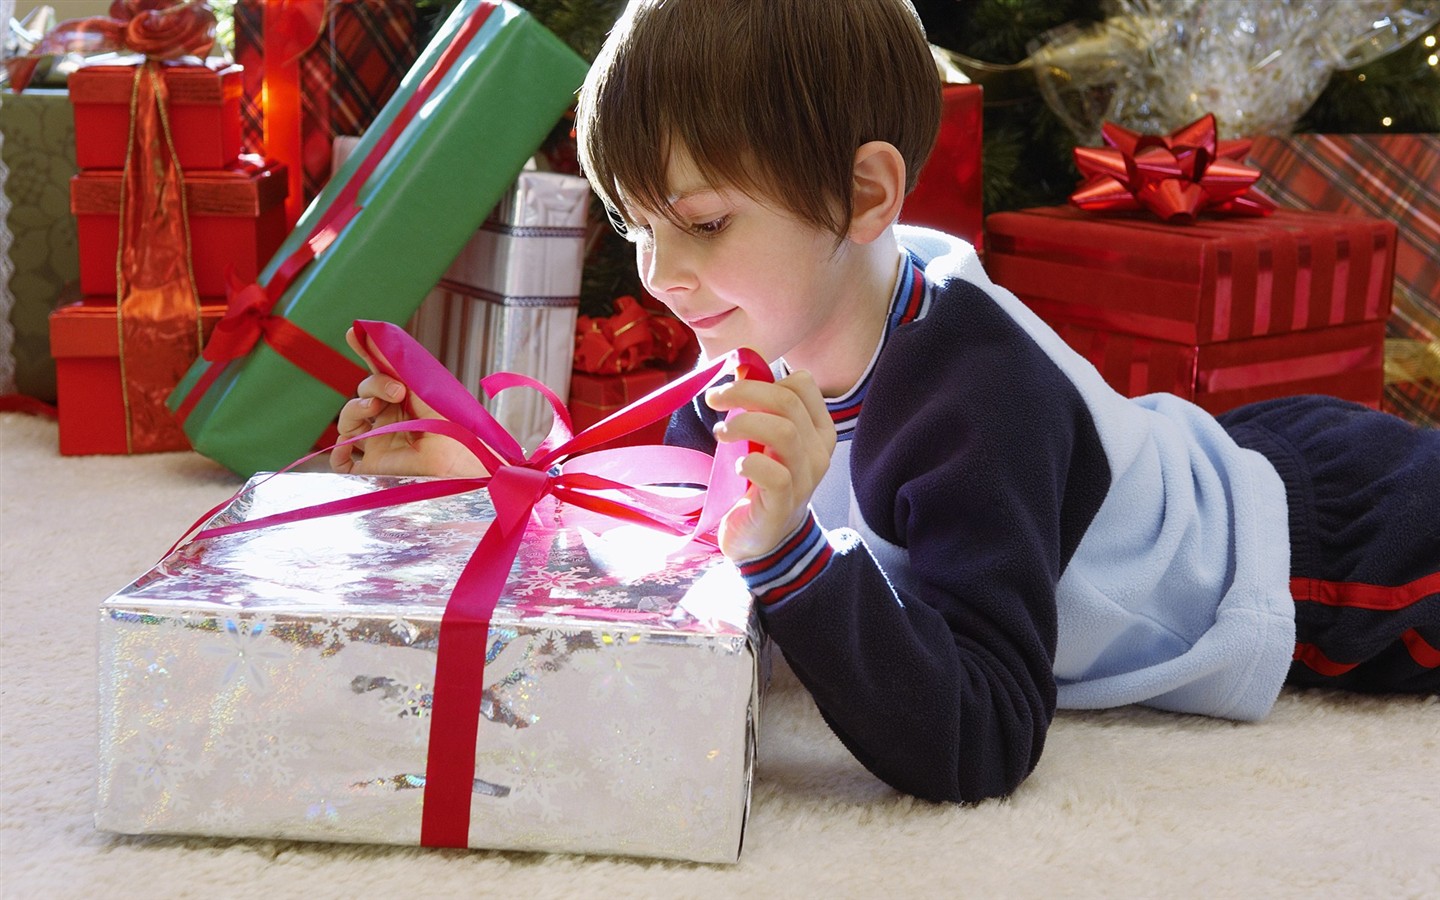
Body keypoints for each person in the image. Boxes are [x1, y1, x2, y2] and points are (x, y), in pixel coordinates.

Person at [332, 0, 1440, 803]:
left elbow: (986, 736)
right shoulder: (750, 354)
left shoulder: (971, 397)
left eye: (704, 222)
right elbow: (650, 559)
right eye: (634, 227)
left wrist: (789, 557)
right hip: (1211, 451)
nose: (656, 274)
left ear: (864, 196)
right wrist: (469, 480)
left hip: (1312, 545)